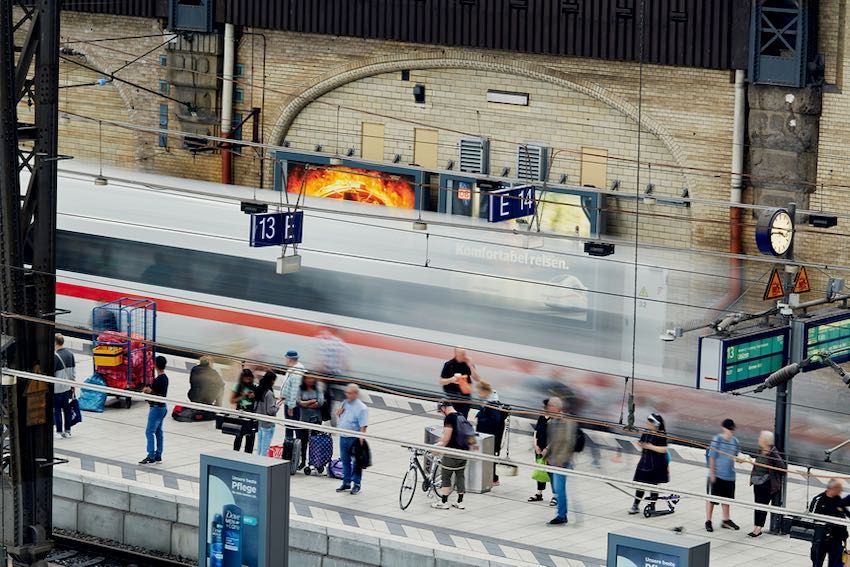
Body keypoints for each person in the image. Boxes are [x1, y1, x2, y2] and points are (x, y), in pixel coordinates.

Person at [543, 397, 576, 525]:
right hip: (553, 460)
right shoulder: (552, 422)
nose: (548, 408)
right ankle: (561, 513)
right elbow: (554, 441)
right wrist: (548, 451)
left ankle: (562, 515)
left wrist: (560, 460)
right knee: (557, 488)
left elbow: (568, 442)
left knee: (559, 488)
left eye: (551, 406)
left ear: (557, 408)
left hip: (562, 462)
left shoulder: (567, 422)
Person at [433, 401, 471, 510]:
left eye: (441, 411)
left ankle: (444, 502)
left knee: (446, 476)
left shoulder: (449, 418)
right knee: (460, 475)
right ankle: (459, 502)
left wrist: (436, 448)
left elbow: (446, 439)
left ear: (444, 408)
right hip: (464, 452)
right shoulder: (461, 416)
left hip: (452, 452)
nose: (441, 413)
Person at [628, 413, 669, 515]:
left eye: (649, 422)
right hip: (645, 462)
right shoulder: (646, 432)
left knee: (653, 486)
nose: (647, 424)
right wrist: (641, 444)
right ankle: (636, 505)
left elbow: (664, 449)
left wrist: (651, 447)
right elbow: (642, 442)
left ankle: (652, 506)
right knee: (640, 484)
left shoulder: (661, 434)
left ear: (655, 424)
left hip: (656, 464)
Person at [705, 418, 741, 532]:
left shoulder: (735, 441)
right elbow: (711, 456)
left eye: (732, 429)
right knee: (712, 499)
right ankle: (708, 520)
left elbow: (736, 455)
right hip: (717, 474)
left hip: (730, 475)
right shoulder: (717, 440)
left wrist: (741, 459)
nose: (731, 432)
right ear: (724, 429)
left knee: (727, 499)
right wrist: (712, 473)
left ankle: (726, 519)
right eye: (729, 429)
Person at [748, 430, 785, 538]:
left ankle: (759, 528)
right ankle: (756, 526)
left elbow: (782, 467)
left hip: (767, 483)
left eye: (760, 438)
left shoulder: (773, 453)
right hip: (757, 481)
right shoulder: (761, 450)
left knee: (762, 505)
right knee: (757, 504)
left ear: (765, 441)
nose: (759, 439)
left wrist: (770, 469)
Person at [335, 384, 369, 495]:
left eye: (349, 393)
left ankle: (357, 484)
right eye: (346, 393)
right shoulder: (345, 403)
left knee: (356, 463)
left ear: (355, 394)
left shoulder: (362, 408)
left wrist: (361, 440)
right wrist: (338, 414)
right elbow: (342, 417)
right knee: (345, 461)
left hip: (354, 438)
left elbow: (363, 426)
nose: (347, 395)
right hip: (343, 436)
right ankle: (346, 482)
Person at [474, 381, 507, 486]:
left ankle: (493, 478)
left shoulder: (493, 406)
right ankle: (492, 477)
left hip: (491, 438)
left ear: (485, 392)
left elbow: (493, 422)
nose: (478, 394)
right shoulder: (492, 402)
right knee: (490, 457)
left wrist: (480, 418)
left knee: (490, 457)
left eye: (480, 392)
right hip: (491, 437)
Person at [809, 479, 848, 567]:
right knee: (817, 563)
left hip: (836, 539)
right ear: (832, 488)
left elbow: (843, 518)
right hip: (821, 539)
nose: (841, 491)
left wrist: (845, 538)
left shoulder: (838, 500)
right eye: (839, 488)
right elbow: (811, 518)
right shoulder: (818, 500)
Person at [316, 329, 350, 426]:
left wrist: (320, 372)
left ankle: (329, 415)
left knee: (328, 397)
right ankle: (337, 414)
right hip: (338, 375)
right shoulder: (342, 344)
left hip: (328, 375)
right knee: (341, 396)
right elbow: (345, 361)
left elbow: (322, 360)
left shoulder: (328, 344)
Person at [139, 356, 168, 465]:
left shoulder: (160, 379)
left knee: (149, 432)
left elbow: (158, 395)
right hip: (162, 408)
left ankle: (151, 455)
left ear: (155, 365)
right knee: (158, 432)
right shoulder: (164, 378)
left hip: (156, 408)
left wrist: (149, 392)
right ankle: (158, 455)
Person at [439, 347, 480, 418]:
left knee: (463, 417)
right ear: (456, 354)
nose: (464, 355)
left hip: (465, 395)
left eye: (464, 353)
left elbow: (477, 378)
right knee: (452, 418)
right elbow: (442, 381)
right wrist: (451, 379)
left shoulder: (467, 364)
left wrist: (471, 365)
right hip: (452, 395)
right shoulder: (449, 365)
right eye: (462, 354)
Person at [529, 399, 555, 506]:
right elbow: (536, 432)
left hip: (550, 450)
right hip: (539, 449)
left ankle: (555, 496)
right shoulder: (541, 417)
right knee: (540, 470)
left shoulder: (555, 420)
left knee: (552, 473)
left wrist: (547, 449)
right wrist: (535, 445)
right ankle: (539, 493)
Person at [296, 373, 325, 468]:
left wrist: (305, 404)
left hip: (316, 419)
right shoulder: (300, 389)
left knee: (314, 442)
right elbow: (298, 402)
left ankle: (313, 462)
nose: (310, 380)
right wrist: (312, 401)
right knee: (303, 442)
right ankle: (303, 461)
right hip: (303, 419)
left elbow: (320, 402)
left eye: (312, 378)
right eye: (308, 378)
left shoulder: (318, 389)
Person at [53, 334, 77, 439]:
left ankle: (59, 431)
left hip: (57, 389)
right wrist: (73, 385)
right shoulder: (70, 354)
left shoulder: (55, 356)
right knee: (67, 410)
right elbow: (73, 372)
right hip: (67, 387)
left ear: (55, 343)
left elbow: (52, 374)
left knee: (57, 410)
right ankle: (68, 430)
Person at [231, 368, 257, 453]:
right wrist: (242, 396)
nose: (248, 380)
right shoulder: (238, 386)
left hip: (251, 412)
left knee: (250, 436)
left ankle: (248, 454)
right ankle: (235, 453)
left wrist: (254, 396)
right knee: (239, 435)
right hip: (241, 411)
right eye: (246, 378)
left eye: (250, 378)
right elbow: (232, 400)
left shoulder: (254, 386)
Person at [253, 372, 279, 457]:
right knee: (265, 448)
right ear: (271, 381)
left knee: (259, 447)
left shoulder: (259, 390)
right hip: (268, 424)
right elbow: (271, 410)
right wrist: (278, 406)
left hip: (260, 422)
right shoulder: (269, 393)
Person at [280, 351, 305, 438]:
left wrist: (291, 406)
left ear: (289, 359)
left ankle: (293, 446)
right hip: (289, 402)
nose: (285, 360)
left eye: (286, 358)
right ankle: (289, 446)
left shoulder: (296, 371)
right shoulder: (293, 368)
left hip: (293, 405)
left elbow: (295, 390)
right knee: (289, 426)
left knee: (293, 426)